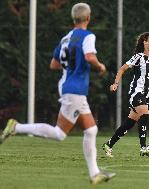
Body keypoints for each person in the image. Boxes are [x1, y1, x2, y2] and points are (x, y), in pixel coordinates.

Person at [0, 3, 115, 185]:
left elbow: (54, 64)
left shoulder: (66, 39)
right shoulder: (87, 35)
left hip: (70, 87)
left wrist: (72, 64)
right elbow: (89, 57)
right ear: (88, 18)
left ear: (73, 18)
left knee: (91, 130)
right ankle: (16, 127)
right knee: (60, 133)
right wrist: (100, 66)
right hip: (75, 89)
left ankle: (95, 174)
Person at [102, 32, 149, 158]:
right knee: (145, 113)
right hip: (136, 93)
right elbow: (122, 69)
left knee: (129, 123)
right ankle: (143, 147)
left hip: (147, 95)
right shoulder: (138, 57)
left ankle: (109, 144)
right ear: (144, 42)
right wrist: (115, 83)